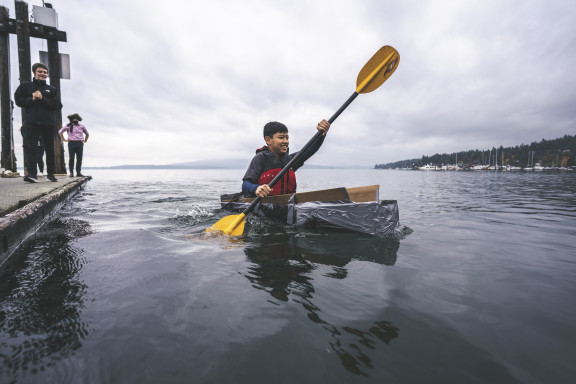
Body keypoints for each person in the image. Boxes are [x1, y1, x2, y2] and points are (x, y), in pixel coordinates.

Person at [242, 119, 330, 197]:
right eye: (281, 137)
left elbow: (311, 149)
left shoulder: (291, 160)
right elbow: (245, 184)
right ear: (268, 140)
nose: (286, 141)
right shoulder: (260, 158)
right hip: (263, 205)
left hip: (287, 204)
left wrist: (322, 134)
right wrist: (256, 189)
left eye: (287, 138)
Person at [14, 63, 63, 183]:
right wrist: (32, 99)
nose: (43, 74)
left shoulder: (52, 89)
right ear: (34, 72)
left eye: (45, 72)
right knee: (31, 148)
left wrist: (42, 99)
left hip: (48, 124)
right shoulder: (25, 86)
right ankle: (32, 175)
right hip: (31, 122)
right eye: (40, 71)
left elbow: (58, 105)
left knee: (50, 149)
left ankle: (51, 174)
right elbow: (18, 101)